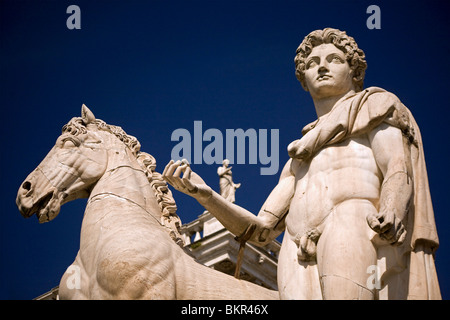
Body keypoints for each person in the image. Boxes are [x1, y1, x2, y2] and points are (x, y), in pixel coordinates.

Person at [163, 28, 441, 299]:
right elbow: (260, 230)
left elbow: (397, 167)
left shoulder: (374, 108)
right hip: (294, 249)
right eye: (311, 64)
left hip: (350, 222)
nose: (321, 68)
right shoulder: (299, 158)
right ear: (304, 79)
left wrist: (392, 207)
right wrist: (205, 194)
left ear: (354, 72)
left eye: (333, 60)